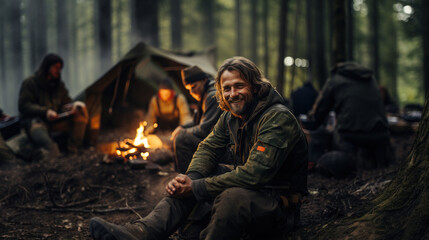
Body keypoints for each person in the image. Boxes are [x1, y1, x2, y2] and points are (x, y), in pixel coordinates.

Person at [89, 56, 308, 240]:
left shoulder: (277, 117)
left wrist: (196, 187)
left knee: (230, 197)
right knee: (195, 181)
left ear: (254, 85)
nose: (233, 94)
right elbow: (208, 147)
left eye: (239, 86)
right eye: (227, 89)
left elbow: (255, 175)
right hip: (251, 190)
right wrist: (190, 178)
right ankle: (141, 232)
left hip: (277, 203)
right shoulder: (232, 116)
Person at [309, 62, 392, 178]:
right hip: (380, 132)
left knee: (329, 134)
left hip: (351, 135)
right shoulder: (370, 78)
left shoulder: (335, 79)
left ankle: (340, 168)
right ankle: (379, 164)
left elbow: (321, 110)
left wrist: (313, 123)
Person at [18, 53, 89, 156]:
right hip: (37, 123)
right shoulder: (30, 83)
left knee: (81, 112)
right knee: (51, 151)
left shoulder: (58, 85)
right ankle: (37, 154)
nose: (58, 71)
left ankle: (73, 149)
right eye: (55, 68)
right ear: (47, 67)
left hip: (56, 120)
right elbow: (24, 105)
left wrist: (71, 107)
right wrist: (45, 112)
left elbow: (65, 102)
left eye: (59, 68)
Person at [171, 65, 223, 173]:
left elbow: (204, 130)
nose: (191, 92)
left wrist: (184, 132)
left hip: (224, 147)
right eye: (189, 89)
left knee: (182, 138)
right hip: (216, 141)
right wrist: (182, 127)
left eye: (194, 87)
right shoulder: (205, 94)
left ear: (204, 80)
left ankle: (185, 178)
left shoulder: (212, 96)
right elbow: (197, 122)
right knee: (181, 134)